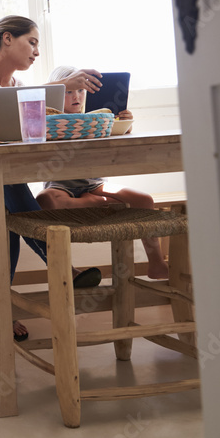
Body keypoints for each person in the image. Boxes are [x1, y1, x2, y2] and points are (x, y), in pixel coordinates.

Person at [0, 16, 106, 339]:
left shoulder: (16, 87)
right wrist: (62, 85)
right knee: (10, 198)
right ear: (6, 39)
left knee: (10, 216)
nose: (36, 52)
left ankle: (0, 305)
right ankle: (56, 271)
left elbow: (26, 123)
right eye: (31, 42)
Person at [36, 65, 169, 279]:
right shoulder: (51, 122)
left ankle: (156, 262)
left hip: (96, 184)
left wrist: (125, 123)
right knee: (45, 200)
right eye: (69, 92)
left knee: (144, 200)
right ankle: (94, 203)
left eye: (80, 91)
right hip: (61, 185)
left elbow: (117, 136)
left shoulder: (98, 119)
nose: (76, 96)